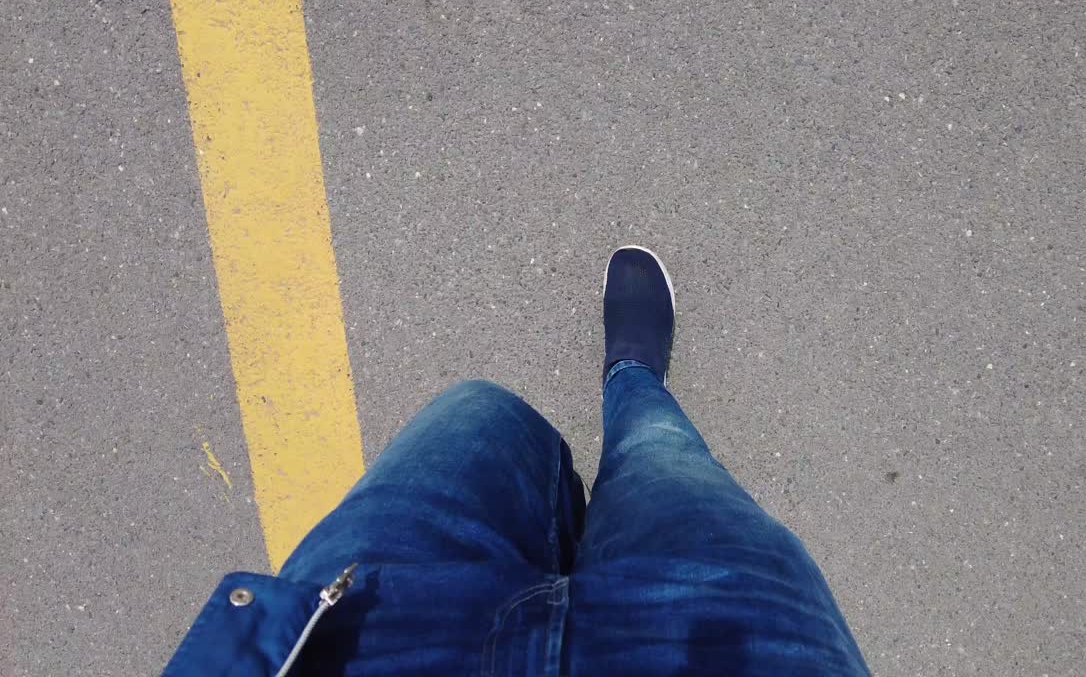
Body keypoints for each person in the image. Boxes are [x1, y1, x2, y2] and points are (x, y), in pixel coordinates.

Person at [163, 247, 872, 676]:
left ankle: (614, 429)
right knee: (661, 461)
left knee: (480, 418)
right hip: (722, 657)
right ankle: (632, 378)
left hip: (366, 645)